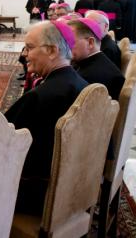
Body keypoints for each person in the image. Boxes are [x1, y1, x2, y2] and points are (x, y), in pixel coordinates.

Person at [5, 21, 88, 215]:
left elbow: (2, 140)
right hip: (74, 189)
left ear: (52, 50)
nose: (24, 54)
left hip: (39, 196)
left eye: (29, 47)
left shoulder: (40, 97)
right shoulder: (83, 84)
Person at [67, 18, 124, 100]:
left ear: (90, 43)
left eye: (69, 42)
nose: (65, 48)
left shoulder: (89, 78)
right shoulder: (92, 62)